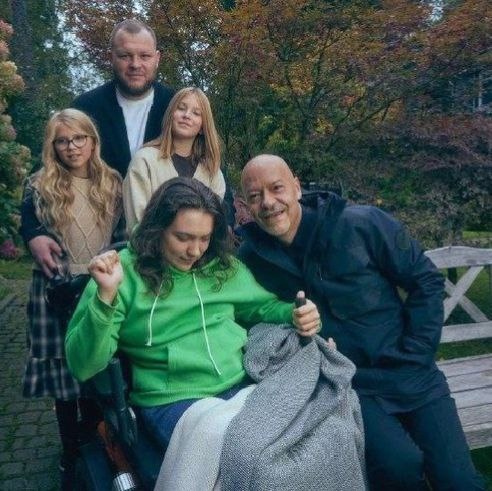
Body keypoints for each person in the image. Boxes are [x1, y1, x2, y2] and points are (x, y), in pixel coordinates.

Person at [238, 154, 485, 491]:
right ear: (245, 205)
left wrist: (418, 350)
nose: (268, 202)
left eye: (276, 188)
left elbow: (425, 281)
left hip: (413, 372)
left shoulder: (362, 224)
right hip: (350, 386)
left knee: (458, 480)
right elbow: (244, 313)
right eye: (255, 196)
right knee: (399, 467)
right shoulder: (252, 258)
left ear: (296, 187)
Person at [65, 177, 320, 450]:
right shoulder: (120, 273)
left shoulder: (222, 267)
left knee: (309, 434)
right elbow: (83, 366)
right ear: (157, 229)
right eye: (183, 237)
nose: (195, 251)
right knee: (246, 454)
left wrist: (295, 313)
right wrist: (105, 297)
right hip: (172, 400)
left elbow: (263, 307)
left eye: (204, 238)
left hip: (242, 384)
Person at [19, 19, 174, 279]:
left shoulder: (177, 108)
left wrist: (223, 222)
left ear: (157, 58)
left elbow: (211, 164)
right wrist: (33, 233)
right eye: (125, 56)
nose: (135, 64)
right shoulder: (87, 106)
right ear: (110, 57)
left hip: (166, 240)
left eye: (144, 56)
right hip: (99, 248)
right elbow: (43, 171)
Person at [21, 109, 123, 487]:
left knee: (98, 370)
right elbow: (28, 224)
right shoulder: (39, 184)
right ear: (53, 146)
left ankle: (99, 444)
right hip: (56, 290)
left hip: (98, 284)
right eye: (62, 141)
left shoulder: (112, 181)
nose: (72, 147)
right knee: (64, 382)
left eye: (79, 138)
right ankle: (70, 452)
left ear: (92, 141)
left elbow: (123, 234)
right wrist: (32, 236)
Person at [123, 87, 226, 233]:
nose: (186, 115)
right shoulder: (144, 161)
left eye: (196, 113)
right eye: (181, 108)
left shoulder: (212, 172)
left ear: (203, 127)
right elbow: (137, 223)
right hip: (149, 246)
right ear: (171, 115)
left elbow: (213, 227)